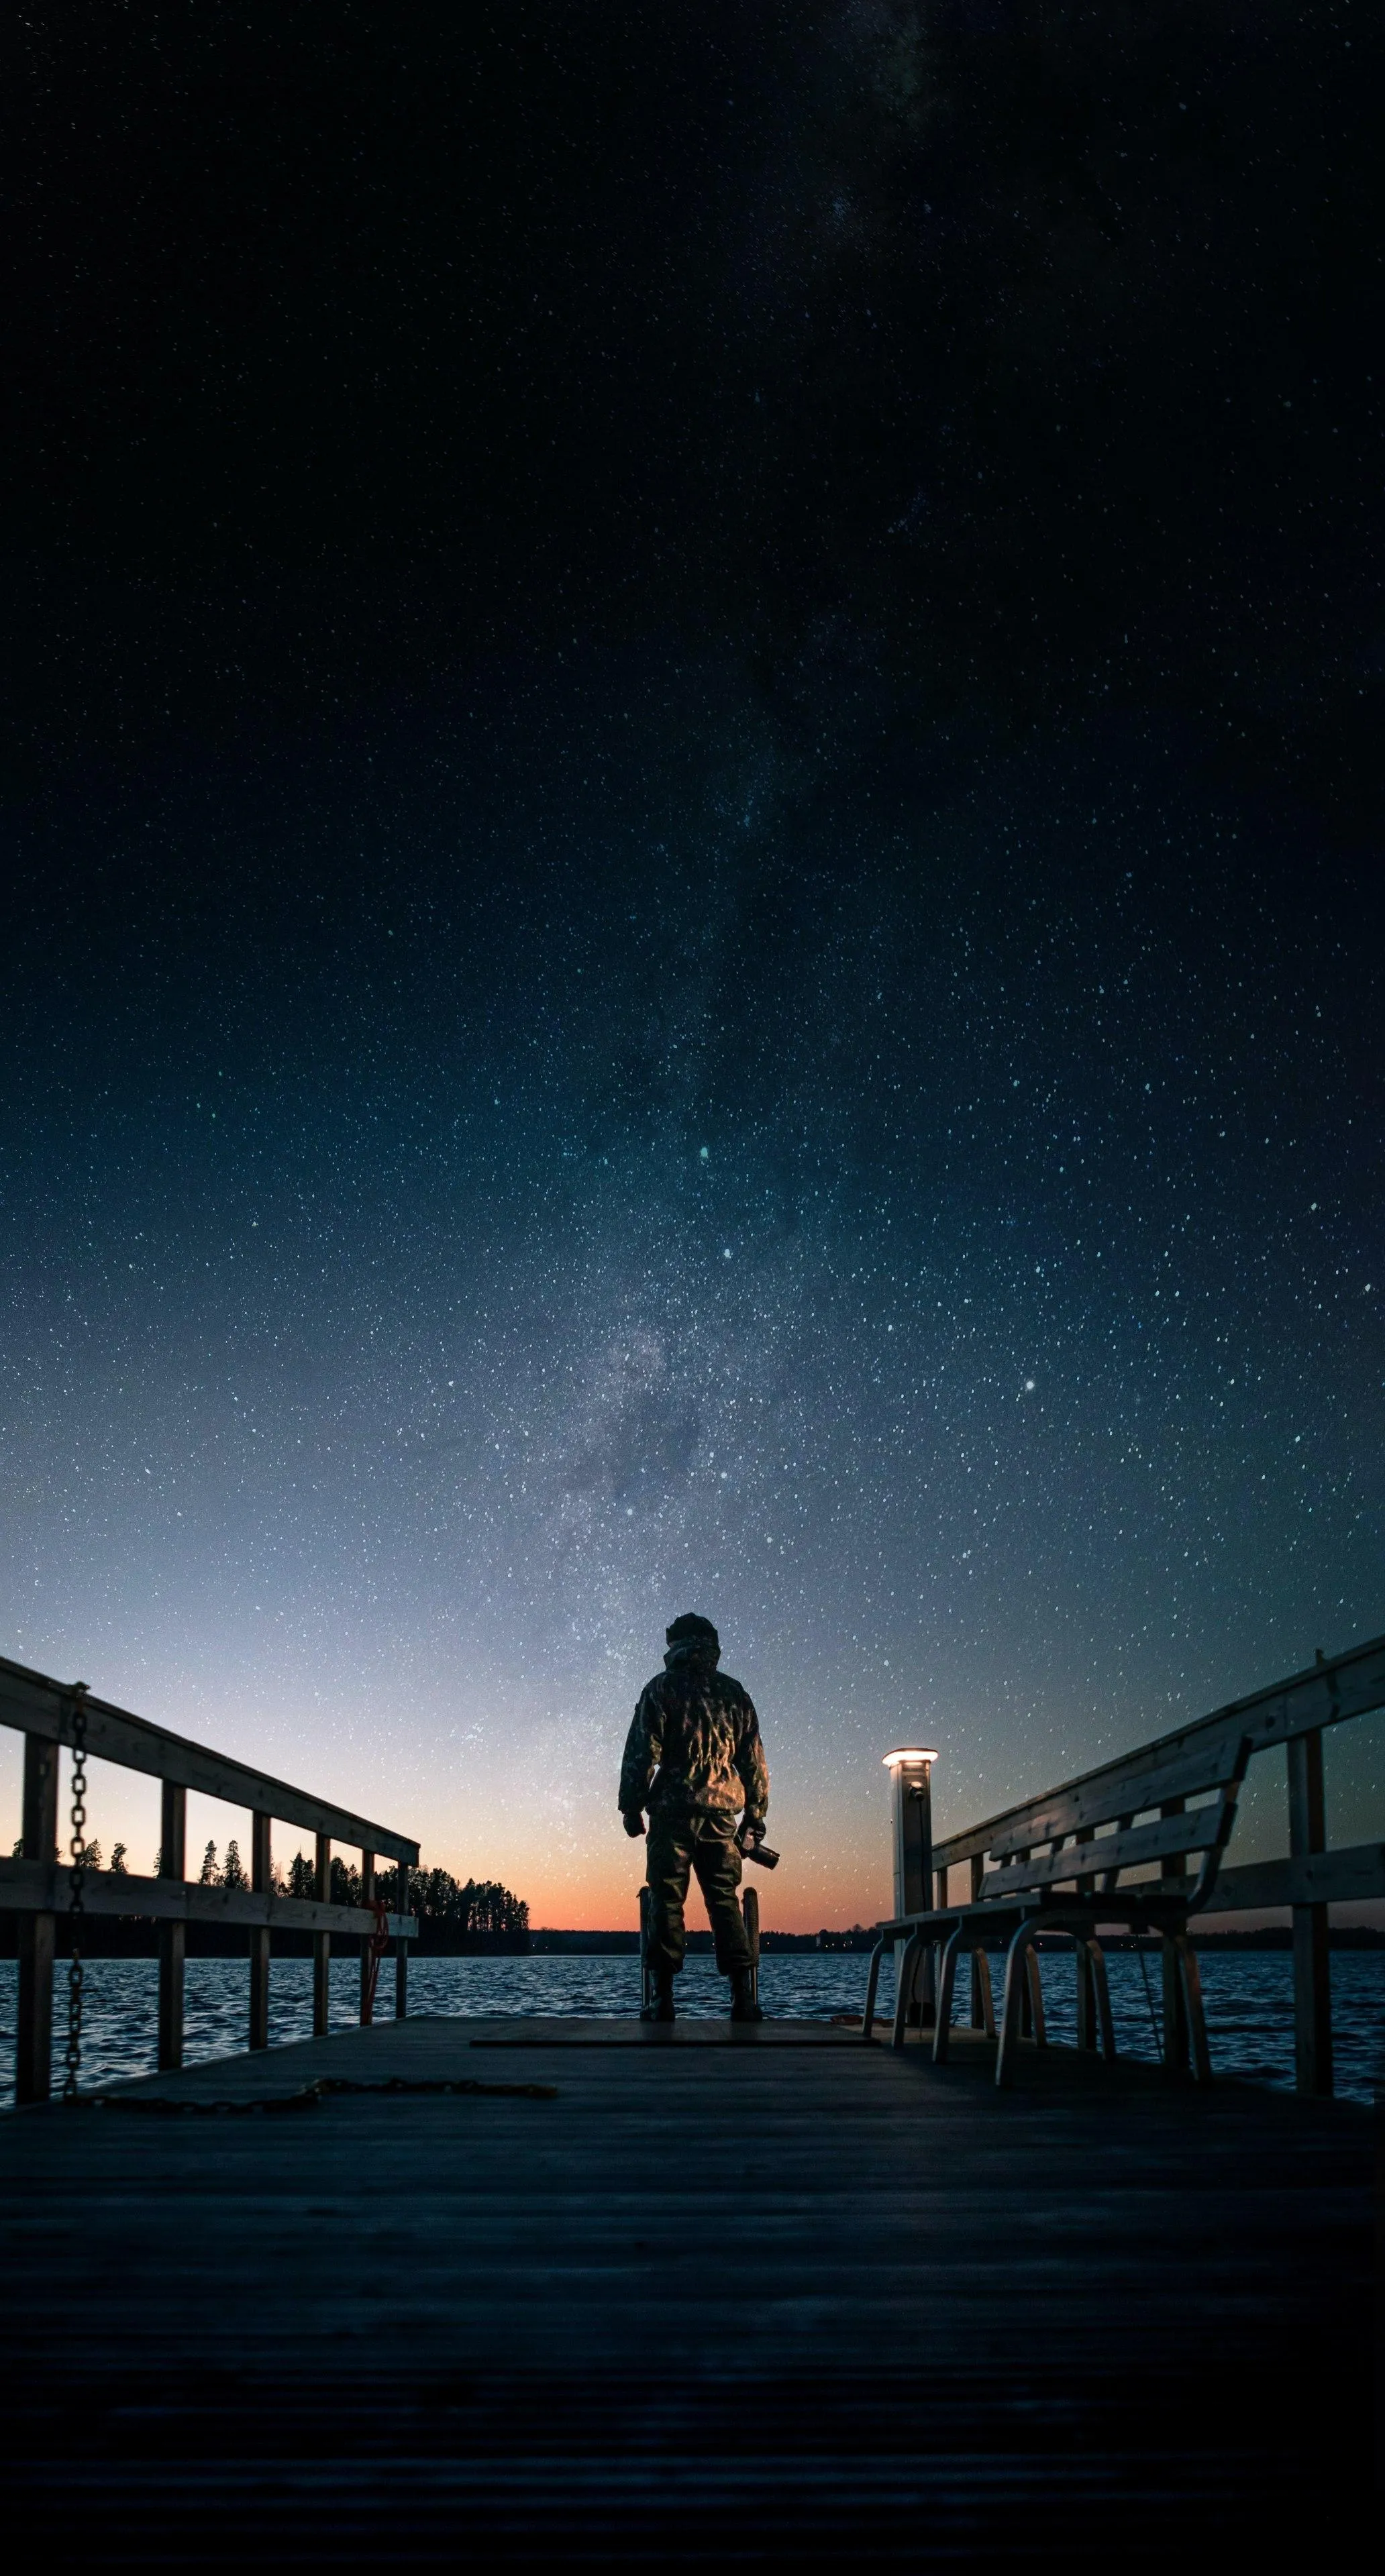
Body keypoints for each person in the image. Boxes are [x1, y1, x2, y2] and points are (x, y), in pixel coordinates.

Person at [619, 1611, 770, 2023]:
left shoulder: (661, 1688)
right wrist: (755, 1816)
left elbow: (639, 1754)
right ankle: (743, 1998)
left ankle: (662, 1999)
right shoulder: (734, 1693)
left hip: (672, 1814)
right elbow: (754, 1762)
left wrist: (631, 1807)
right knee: (724, 1901)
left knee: (666, 1901)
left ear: (675, 1645)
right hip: (722, 1816)